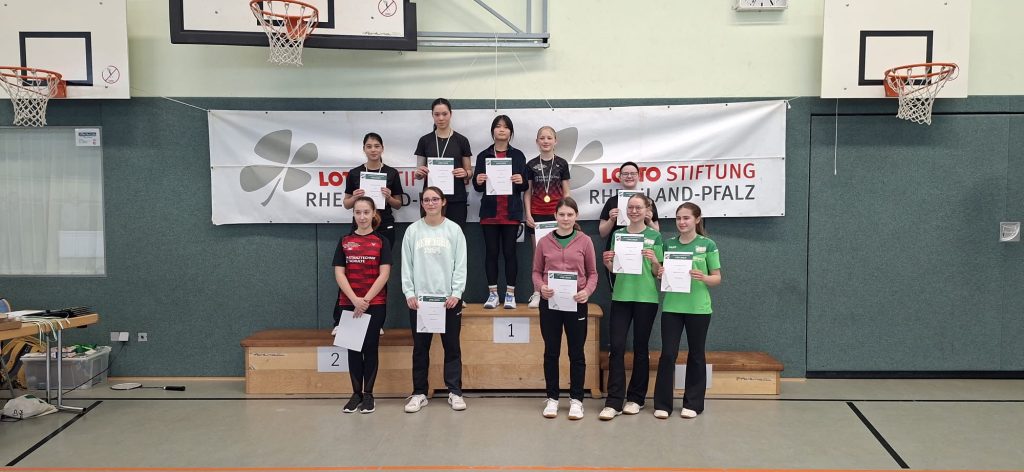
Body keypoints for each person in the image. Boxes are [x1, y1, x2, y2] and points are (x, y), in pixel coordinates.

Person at [401, 186, 468, 413]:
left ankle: (455, 392)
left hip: (448, 301)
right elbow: (406, 265)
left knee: (452, 348)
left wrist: (456, 293)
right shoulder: (412, 231)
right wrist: (409, 293)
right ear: (422, 203)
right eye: (427, 200)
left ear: (443, 202)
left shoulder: (454, 230)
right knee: (420, 349)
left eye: (435, 199)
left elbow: (461, 264)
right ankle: (419, 393)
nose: (431, 203)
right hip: (420, 302)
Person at [653, 203, 721, 419]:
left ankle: (693, 403)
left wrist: (704, 277)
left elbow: (717, 278)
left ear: (697, 219)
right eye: (678, 218)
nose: (681, 222)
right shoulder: (669, 244)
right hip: (672, 308)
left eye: (686, 218)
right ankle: (663, 404)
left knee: (696, 354)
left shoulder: (708, 244)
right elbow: (660, 274)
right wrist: (660, 272)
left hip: (698, 308)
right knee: (667, 354)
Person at [532, 197, 597, 420]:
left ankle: (576, 400)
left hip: (576, 304)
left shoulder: (585, 241)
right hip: (550, 304)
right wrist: (541, 287)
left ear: (576, 216)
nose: (566, 218)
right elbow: (536, 271)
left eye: (570, 214)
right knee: (551, 352)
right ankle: (552, 398)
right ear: (555, 216)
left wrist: (587, 291)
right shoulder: (544, 242)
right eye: (562, 214)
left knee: (576, 353)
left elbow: (593, 273)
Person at [599, 193, 663, 421]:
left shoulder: (655, 236)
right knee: (616, 347)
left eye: (638, 207)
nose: (634, 211)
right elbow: (615, 269)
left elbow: (657, 273)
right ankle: (613, 401)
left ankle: (636, 399)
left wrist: (654, 261)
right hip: (621, 297)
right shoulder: (618, 235)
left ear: (647, 211)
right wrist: (607, 263)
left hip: (646, 298)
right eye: (631, 207)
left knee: (640, 348)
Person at [332, 197, 392, 414]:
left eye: (366, 212)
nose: (362, 217)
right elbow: (339, 273)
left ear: (374, 213)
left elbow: (384, 274)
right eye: (358, 212)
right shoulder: (344, 240)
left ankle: (368, 395)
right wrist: (354, 300)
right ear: (353, 214)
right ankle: (356, 394)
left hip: (375, 304)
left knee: (370, 348)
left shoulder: (382, 241)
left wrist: (365, 300)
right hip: (348, 304)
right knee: (353, 349)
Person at [472, 115, 529, 309]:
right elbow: (477, 187)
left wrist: (521, 181)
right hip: (490, 213)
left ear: (511, 132)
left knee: (510, 253)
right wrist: (478, 180)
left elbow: (524, 186)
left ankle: (510, 294)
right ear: (493, 131)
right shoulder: (483, 155)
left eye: (505, 127)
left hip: (511, 213)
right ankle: (493, 294)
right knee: (491, 253)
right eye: (498, 126)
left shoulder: (518, 155)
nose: (502, 130)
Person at [525, 126, 571, 308]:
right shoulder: (530, 165)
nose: (545, 141)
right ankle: (537, 292)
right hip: (537, 215)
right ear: (537, 141)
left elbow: (566, 192)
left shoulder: (562, 164)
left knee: (558, 254)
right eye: (542, 138)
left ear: (555, 141)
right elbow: (527, 192)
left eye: (549, 138)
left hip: (557, 216)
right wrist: (528, 214)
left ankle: (558, 291)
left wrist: (566, 214)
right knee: (538, 255)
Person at [413, 98, 473, 227]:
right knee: (429, 235)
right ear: (432, 115)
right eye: (437, 114)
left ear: (451, 114)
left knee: (455, 234)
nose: (441, 118)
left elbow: (469, 172)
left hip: (456, 199)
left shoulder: (462, 140)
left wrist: (465, 173)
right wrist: (419, 173)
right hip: (431, 200)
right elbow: (418, 174)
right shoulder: (424, 140)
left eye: (444, 114)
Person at [343, 132, 405, 246]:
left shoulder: (392, 173)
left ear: (382, 148)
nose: (373, 150)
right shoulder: (354, 173)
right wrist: (354, 197)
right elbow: (346, 204)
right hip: (361, 224)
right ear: (364, 149)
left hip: (385, 224)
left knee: (385, 257)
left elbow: (398, 204)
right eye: (369, 146)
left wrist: (389, 198)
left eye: (377, 146)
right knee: (360, 256)